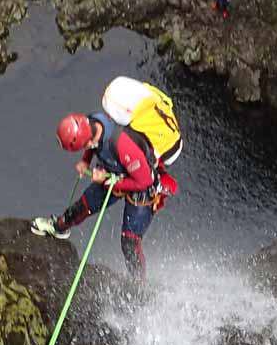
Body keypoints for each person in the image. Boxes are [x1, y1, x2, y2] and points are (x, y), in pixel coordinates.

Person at [30, 107, 177, 278]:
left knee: (129, 241)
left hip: (141, 186)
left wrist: (108, 181)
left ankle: (139, 282)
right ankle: (59, 228)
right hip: (113, 172)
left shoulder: (122, 145)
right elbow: (92, 144)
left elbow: (144, 181)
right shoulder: (93, 123)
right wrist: (86, 161)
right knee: (82, 207)